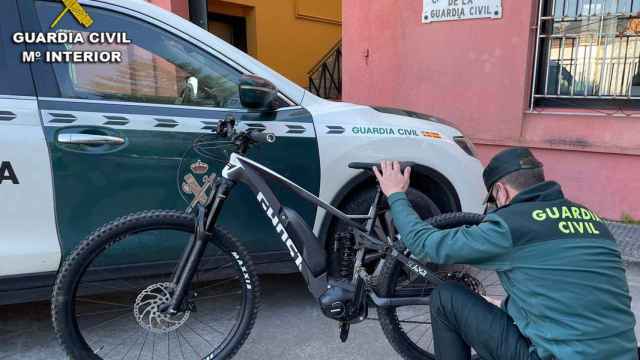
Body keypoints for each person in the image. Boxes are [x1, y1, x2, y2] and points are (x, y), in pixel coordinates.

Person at [373, 147, 637, 360]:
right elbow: (571, 292)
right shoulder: (593, 220)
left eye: (493, 199)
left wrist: (396, 194)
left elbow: (424, 244)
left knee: (446, 297)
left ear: (500, 191)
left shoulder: (510, 224)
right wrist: (505, 306)